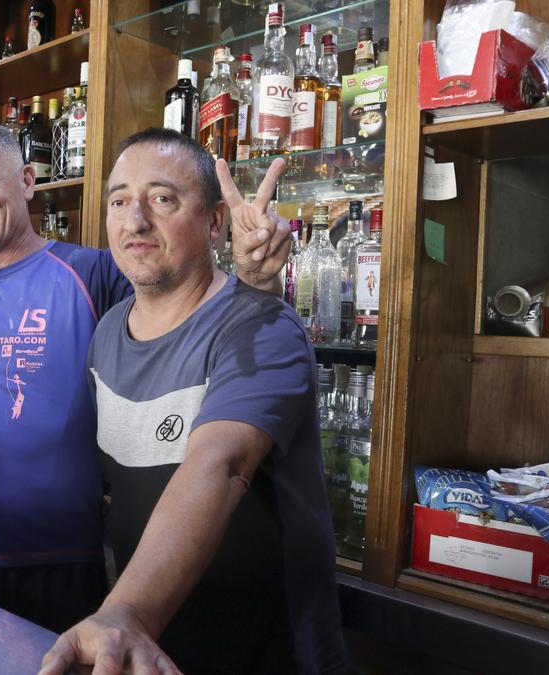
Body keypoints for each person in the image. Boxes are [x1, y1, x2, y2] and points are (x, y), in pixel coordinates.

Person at [0, 120, 292, 633]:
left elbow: (201, 305)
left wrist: (258, 279)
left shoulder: (96, 272)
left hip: (61, 559)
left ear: (28, 181)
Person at [39, 129, 347, 674]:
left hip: (267, 653)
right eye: (119, 201)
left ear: (213, 222)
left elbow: (221, 464)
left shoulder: (262, 327)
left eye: (162, 199)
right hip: (159, 647)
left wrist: (127, 612)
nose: (134, 221)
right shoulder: (109, 332)